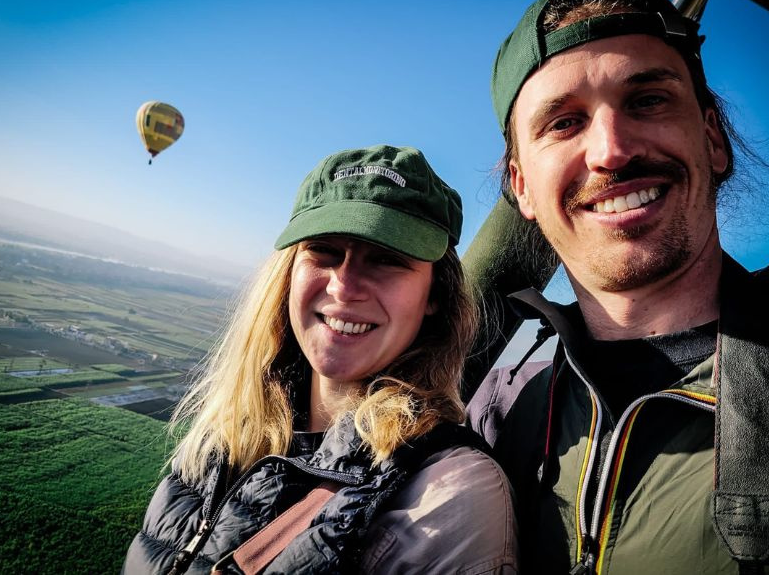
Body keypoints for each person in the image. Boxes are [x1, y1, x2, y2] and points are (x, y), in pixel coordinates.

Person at [466, 0, 769, 574]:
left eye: (647, 100)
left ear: (712, 139)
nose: (611, 149)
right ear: (522, 188)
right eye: (563, 122)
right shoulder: (503, 407)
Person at [124, 145, 519, 574]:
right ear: (289, 272)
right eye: (324, 250)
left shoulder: (449, 493)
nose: (344, 286)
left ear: (435, 297)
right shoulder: (224, 439)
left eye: (388, 259)